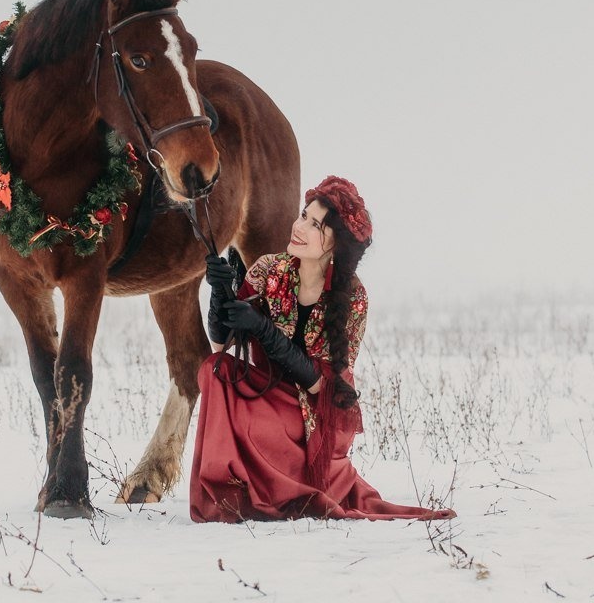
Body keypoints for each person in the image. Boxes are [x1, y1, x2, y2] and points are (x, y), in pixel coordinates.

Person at [189, 176, 457, 523]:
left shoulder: (352, 298)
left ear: (334, 246)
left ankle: (279, 481)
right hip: (267, 394)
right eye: (303, 215)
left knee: (263, 408)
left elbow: (321, 386)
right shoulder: (270, 269)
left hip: (313, 415)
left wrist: (262, 329)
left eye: (314, 225)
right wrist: (220, 291)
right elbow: (221, 341)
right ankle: (227, 490)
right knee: (214, 369)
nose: (299, 227)